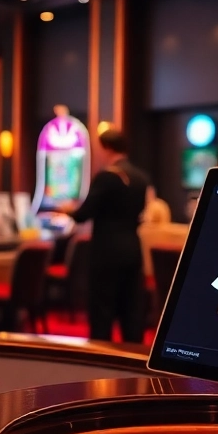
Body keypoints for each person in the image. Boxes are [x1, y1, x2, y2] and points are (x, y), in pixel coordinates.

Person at [63, 128, 150, 343]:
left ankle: (101, 356)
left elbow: (83, 214)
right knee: (131, 309)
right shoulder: (141, 177)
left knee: (102, 310)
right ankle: (134, 356)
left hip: (106, 251)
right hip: (132, 247)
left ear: (107, 148)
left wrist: (66, 210)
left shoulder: (107, 176)